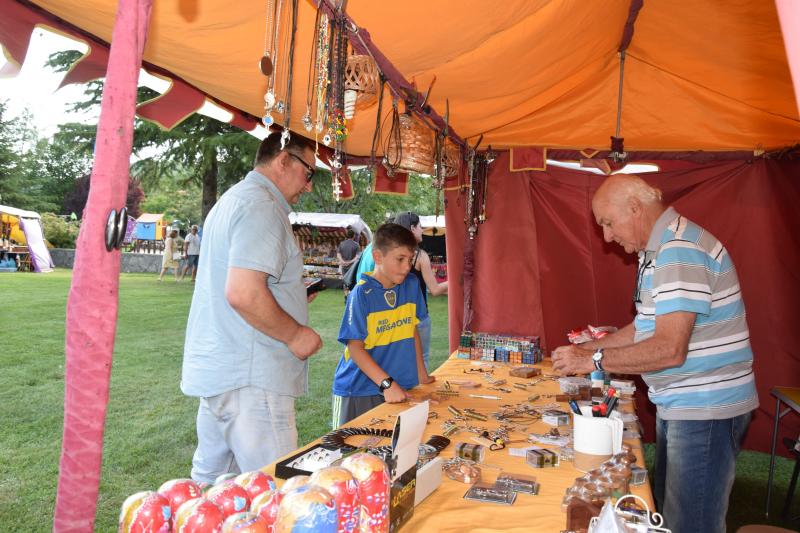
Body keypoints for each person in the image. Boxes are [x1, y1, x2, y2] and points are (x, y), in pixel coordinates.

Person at [551, 174, 758, 533]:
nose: (607, 236)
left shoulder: (679, 250)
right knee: (671, 509)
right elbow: (642, 330)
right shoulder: (662, 249)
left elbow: (669, 348)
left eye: (608, 222)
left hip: (703, 408)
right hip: (686, 405)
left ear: (634, 208)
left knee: (691, 524)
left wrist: (593, 361)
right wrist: (584, 349)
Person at [181, 133, 324, 483]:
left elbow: (240, 283)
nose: (308, 185)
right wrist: (295, 334)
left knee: (213, 494)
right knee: (275, 492)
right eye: (310, 173)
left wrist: (289, 297)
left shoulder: (234, 200)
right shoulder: (262, 205)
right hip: (252, 379)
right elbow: (244, 293)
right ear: (283, 160)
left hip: (225, 372)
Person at [331, 223, 435, 428]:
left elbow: (411, 329)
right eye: (400, 259)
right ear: (378, 257)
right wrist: (386, 383)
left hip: (398, 384)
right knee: (351, 454)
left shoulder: (411, 285)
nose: (407, 266)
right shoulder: (361, 295)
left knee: (395, 450)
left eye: (410, 259)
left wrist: (421, 373)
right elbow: (355, 348)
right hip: (359, 389)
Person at [393, 212, 448, 371]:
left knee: (399, 359)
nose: (422, 229)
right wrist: (457, 282)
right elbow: (435, 290)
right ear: (412, 228)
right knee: (421, 360)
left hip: (395, 316)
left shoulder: (391, 255)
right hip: (418, 316)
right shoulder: (420, 256)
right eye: (419, 226)